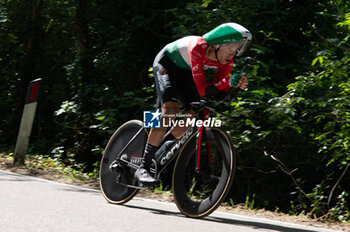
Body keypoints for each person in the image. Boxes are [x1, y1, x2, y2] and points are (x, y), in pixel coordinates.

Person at [135, 22, 252, 185]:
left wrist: (234, 86)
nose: (234, 54)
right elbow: (204, 90)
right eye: (231, 49)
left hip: (185, 73)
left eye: (237, 50)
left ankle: (158, 148)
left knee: (193, 116)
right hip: (166, 64)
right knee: (170, 109)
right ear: (217, 45)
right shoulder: (198, 47)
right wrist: (226, 82)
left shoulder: (226, 62)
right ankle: (143, 167)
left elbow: (215, 93)